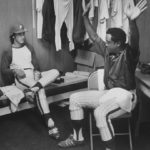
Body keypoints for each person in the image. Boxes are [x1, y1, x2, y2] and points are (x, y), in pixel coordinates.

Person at [58, 0, 147, 149]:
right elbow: (93, 36)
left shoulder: (129, 55)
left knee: (100, 113)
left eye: (108, 42)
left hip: (126, 97)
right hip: (108, 93)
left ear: (118, 44)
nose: (105, 44)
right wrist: (84, 16)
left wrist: (132, 22)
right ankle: (78, 138)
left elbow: (135, 41)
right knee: (74, 99)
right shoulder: (107, 51)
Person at [1, 24, 60, 140]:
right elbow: (3, 70)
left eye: (23, 33)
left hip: (34, 77)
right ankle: (50, 122)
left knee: (56, 71)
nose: (23, 36)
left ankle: (33, 89)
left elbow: (36, 65)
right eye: (19, 34)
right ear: (13, 36)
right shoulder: (8, 51)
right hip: (21, 78)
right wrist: (14, 71)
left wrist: (37, 72)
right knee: (40, 89)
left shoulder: (29, 47)